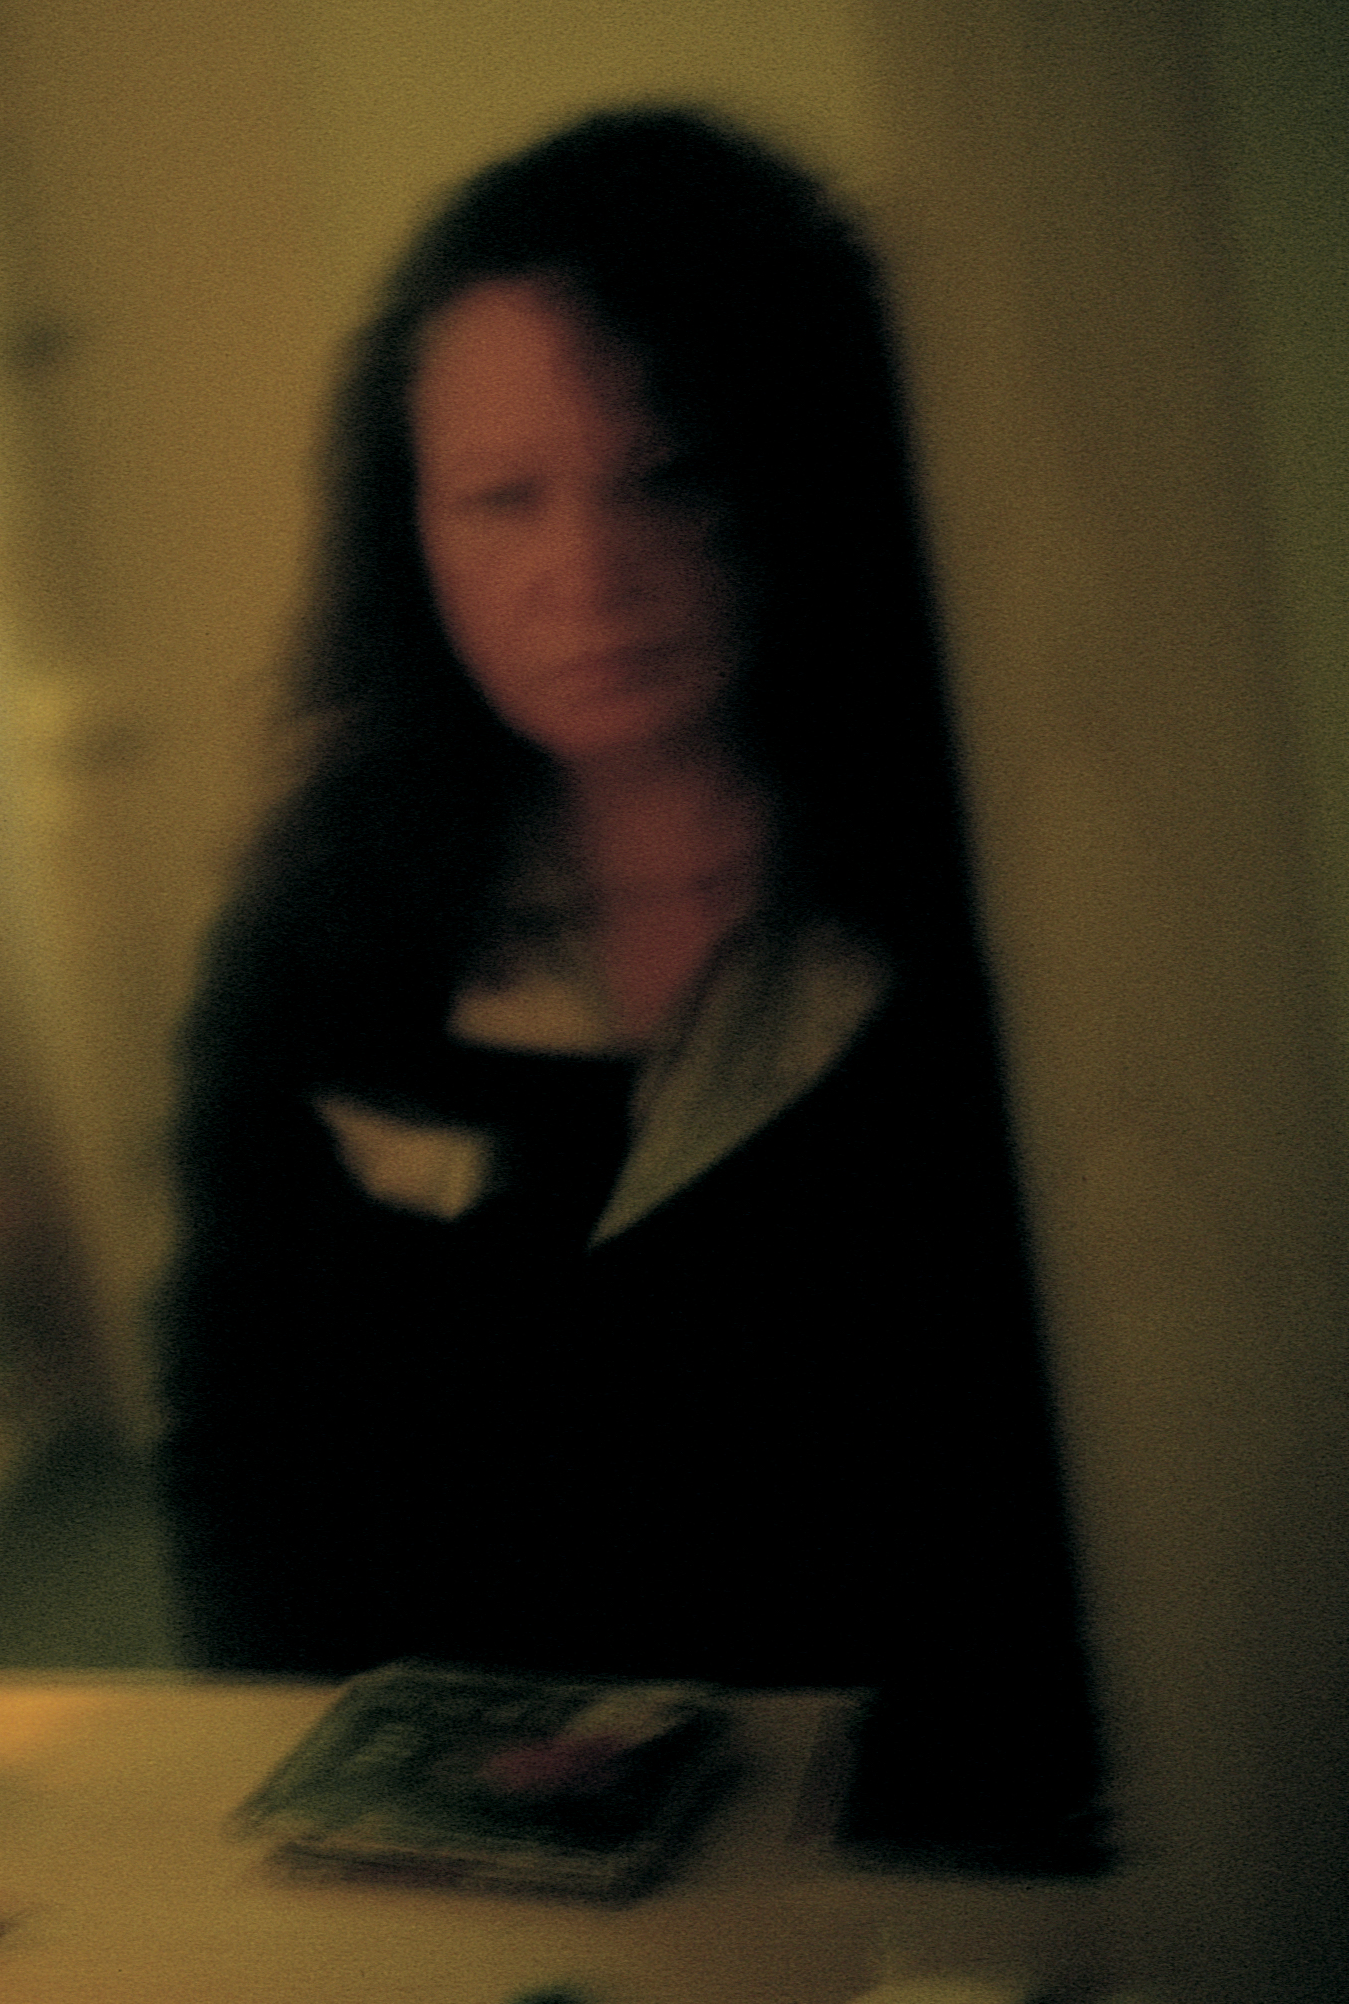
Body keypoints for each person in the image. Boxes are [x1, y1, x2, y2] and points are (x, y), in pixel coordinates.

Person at [154, 107, 1107, 1870]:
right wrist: (352, 1791)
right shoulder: (330, 934)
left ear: (799, 473)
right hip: (465, 1840)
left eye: (668, 474)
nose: (586, 574)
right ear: (409, 527)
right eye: (501, 500)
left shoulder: (1018, 900)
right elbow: (244, 1443)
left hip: (929, 1822)